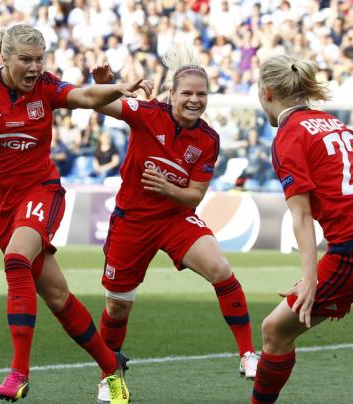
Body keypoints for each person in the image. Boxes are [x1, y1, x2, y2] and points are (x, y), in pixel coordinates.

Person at [0, 24, 150, 403]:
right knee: (57, 297)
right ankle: (109, 367)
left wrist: (117, 88)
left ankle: (19, 372)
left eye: (39, 59)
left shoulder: (47, 87)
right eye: (26, 59)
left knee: (17, 259)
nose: (34, 67)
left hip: (41, 191)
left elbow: (84, 95)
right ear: (4, 58)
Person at [90, 46, 259, 403]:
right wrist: (105, 85)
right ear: (172, 95)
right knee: (118, 306)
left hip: (175, 218)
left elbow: (194, 196)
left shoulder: (208, 139)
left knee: (220, 268)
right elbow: (101, 104)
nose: (195, 100)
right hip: (132, 221)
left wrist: (168, 189)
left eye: (201, 94)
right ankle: (109, 376)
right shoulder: (148, 114)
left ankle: (247, 354)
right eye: (187, 93)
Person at [252, 54, 353, 403]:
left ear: (267, 93)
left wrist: (310, 278)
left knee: (274, 330)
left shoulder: (289, 135)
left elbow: (302, 216)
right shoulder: (330, 121)